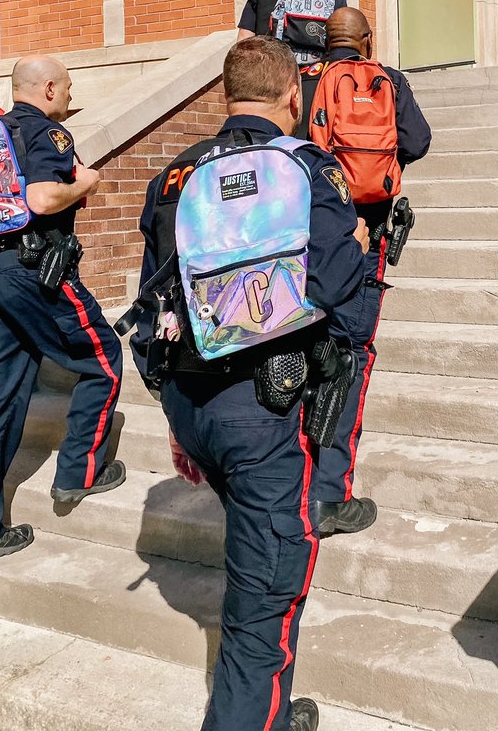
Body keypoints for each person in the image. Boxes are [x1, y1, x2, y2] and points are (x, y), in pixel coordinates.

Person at [132, 37, 368, 731]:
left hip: (190, 400)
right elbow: (332, 284)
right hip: (264, 404)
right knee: (266, 590)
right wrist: (356, 245)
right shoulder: (305, 166)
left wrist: (177, 421)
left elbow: (154, 305)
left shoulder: (175, 176)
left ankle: (266, 708)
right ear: (294, 95)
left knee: (256, 549)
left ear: (224, 95)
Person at [0, 56, 124, 570]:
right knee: (103, 357)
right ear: (48, 88)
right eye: (67, 87)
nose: (70, 96)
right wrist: (86, 183)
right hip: (30, 272)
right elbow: (44, 199)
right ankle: (80, 473)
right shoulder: (49, 133)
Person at [299, 8, 431, 535]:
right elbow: (418, 142)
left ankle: (292, 484)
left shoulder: (303, 83)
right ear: (367, 41)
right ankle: (330, 495)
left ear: (324, 41)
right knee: (349, 356)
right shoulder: (387, 80)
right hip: (365, 236)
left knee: (298, 351)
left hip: (303, 241)